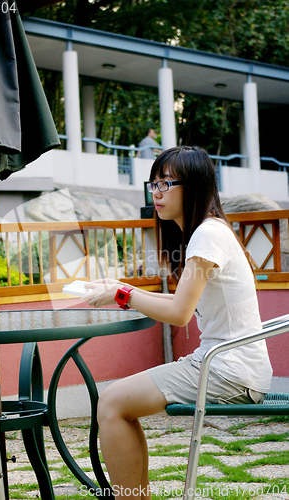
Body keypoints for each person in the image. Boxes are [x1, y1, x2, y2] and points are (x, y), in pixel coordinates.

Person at [83, 146, 273, 500]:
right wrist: (123, 289)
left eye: (165, 184)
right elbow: (181, 302)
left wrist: (124, 295)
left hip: (226, 368)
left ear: (195, 186)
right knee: (117, 405)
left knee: (110, 403)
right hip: (227, 363)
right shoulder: (208, 231)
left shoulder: (207, 235)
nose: (156, 193)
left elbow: (179, 314)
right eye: (152, 184)